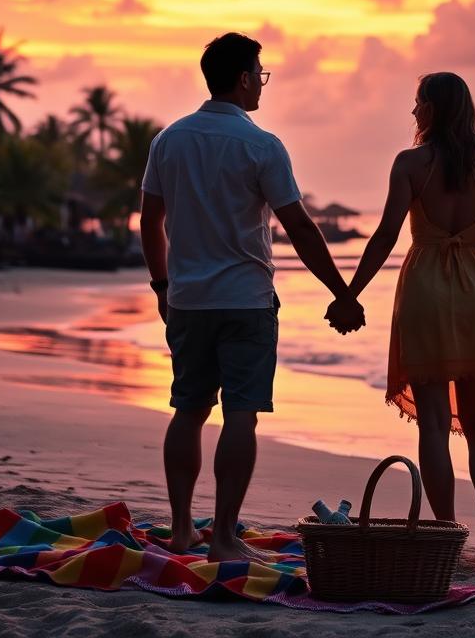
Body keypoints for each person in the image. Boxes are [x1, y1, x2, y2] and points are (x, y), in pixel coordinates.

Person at [140, 32, 365, 562]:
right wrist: (343, 294)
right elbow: (301, 229)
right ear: (242, 78)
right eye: (260, 74)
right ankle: (221, 536)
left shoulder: (167, 141)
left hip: (188, 300)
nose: (262, 84)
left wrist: (162, 285)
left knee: (188, 410)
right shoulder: (263, 145)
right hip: (245, 301)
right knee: (241, 414)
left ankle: (179, 531)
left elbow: (152, 221)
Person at [341, 71, 475, 564]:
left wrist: (350, 293)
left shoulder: (409, 164)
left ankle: (446, 531)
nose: (413, 111)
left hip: (425, 288)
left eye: (418, 102)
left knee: (433, 425)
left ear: (434, 108)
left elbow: (384, 236)